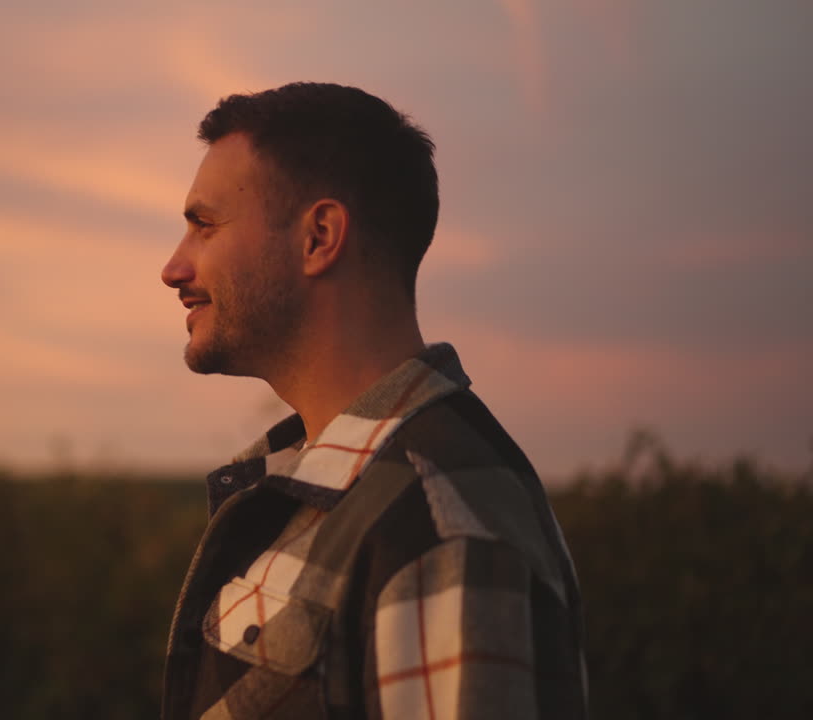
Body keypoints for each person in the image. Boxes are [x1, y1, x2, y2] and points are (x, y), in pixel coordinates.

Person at [158, 83, 586, 719]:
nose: (173, 267)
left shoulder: (438, 526)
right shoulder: (348, 487)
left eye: (204, 226)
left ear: (319, 237)